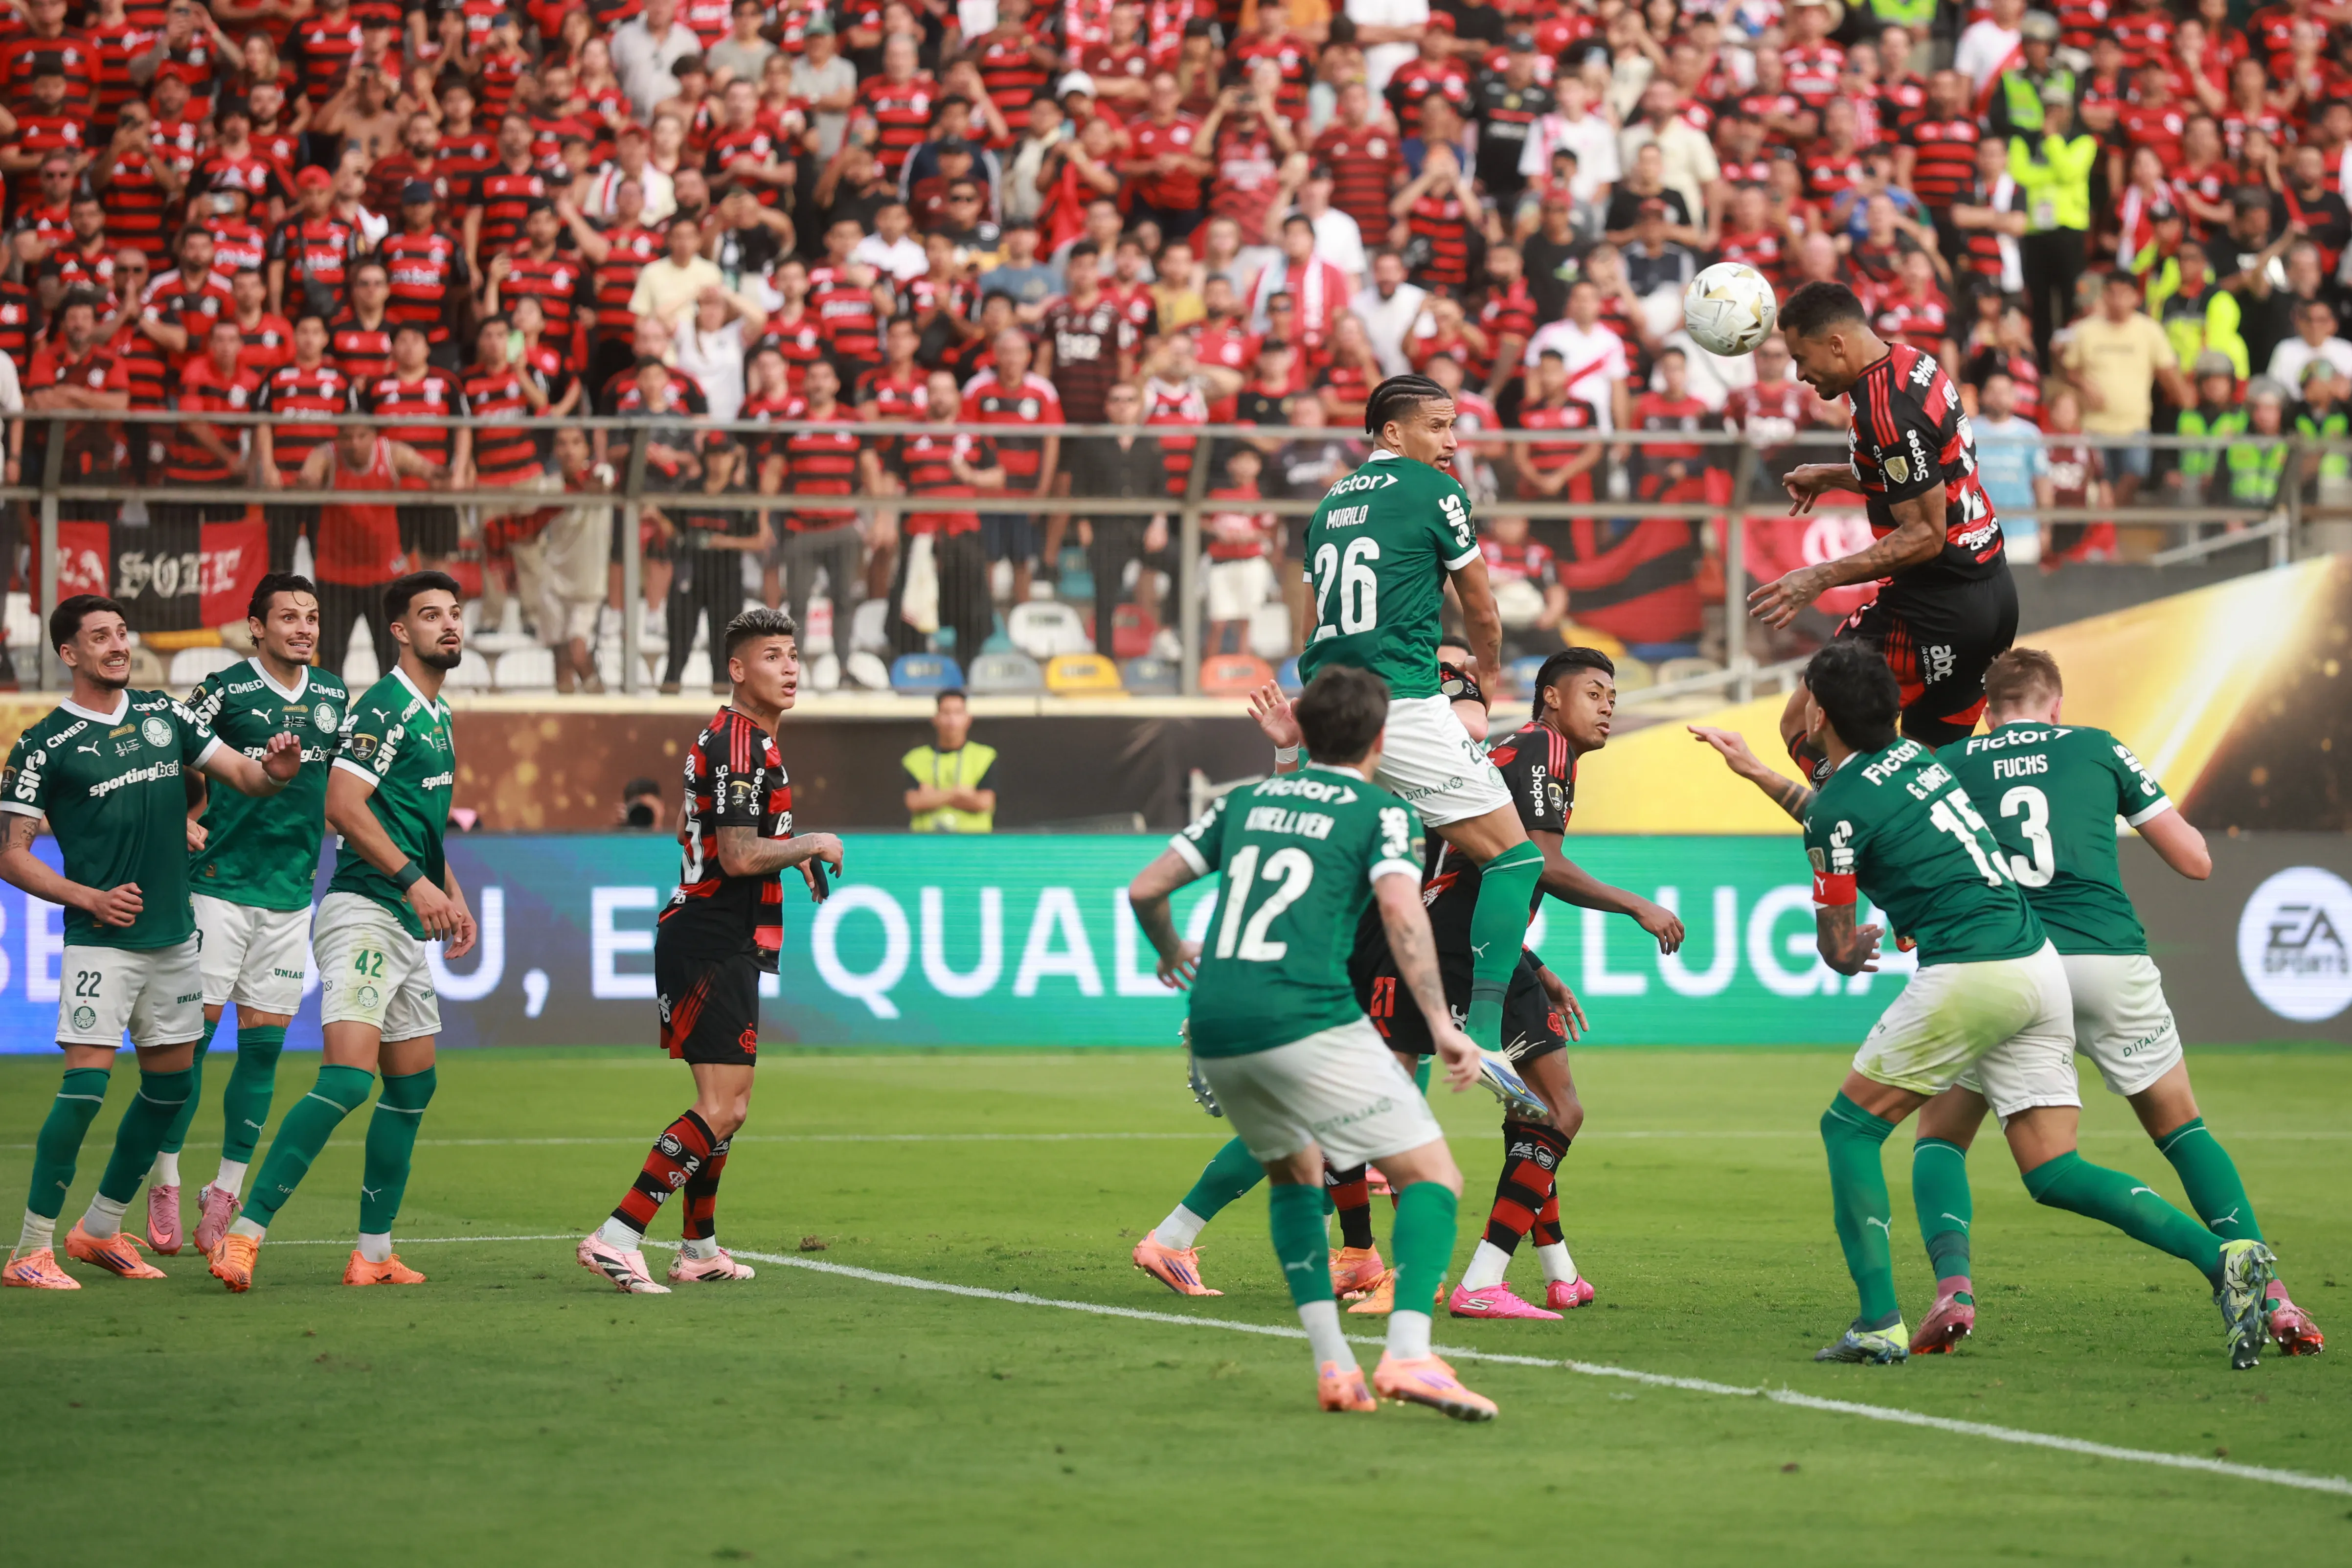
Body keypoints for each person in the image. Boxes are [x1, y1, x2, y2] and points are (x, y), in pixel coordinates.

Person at [1689, 642, 2277, 1369]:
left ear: (1819, 710)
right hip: (2035, 965)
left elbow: (1841, 938)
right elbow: (1847, 810)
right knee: (2052, 1168)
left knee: (1849, 1129)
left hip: (1970, 971)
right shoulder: (1920, 760)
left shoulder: (1857, 801)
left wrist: (1853, 941)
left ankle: (1880, 1321)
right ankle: (2227, 1258)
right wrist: (1758, 773)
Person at [1904, 650, 2323, 1357]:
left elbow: (1923, 881)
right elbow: (2195, 859)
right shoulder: (2098, 747)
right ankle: (2274, 1297)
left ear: (1986, 708)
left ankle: (1954, 1291)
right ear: (2055, 704)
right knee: (2181, 1127)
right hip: (2108, 958)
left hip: (2008, 963)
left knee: (1942, 1134)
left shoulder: (1950, 764)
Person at [1125, 664, 1498, 1420]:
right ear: (1383, 737)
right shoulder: (1380, 813)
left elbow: (1144, 890)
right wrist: (1443, 1026)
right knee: (1434, 1177)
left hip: (1218, 1018)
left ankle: (1336, 1369)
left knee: (1296, 1171)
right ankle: (1410, 1355)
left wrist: (1168, 949)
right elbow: (1402, 915)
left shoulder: (1246, 801)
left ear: (1304, 729)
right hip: (1307, 1013)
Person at [0, 596, 302, 1291]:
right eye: (99, 637)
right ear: (69, 654)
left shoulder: (164, 717)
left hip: (175, 938)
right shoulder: (44, 742)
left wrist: (277, 772)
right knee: (85, 1089)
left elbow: (246, 777)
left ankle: (100, 1228)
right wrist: (88, 898)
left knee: (170, 1090)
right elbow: (12, 854)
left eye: (121, 633)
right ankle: (29, 1248)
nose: (117, 645)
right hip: (102, 943)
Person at [206, 572, 479, 1294]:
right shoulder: (385, 708)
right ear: (399, 631)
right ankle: (243, 1232)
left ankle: (374, 1252)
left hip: (404, 911)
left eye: (454, 614)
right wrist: (414, 883)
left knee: (412, 1089)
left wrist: (450, 892)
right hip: (363, 908)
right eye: (430, 616)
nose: (448, 625)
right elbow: (343, 800)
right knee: (348, 1079)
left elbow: (416, 821)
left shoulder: (439, 714)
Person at [578, 608, 845, 1294]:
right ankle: (619, 1234)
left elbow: (686, 825)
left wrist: (786, 857)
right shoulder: (740, 743)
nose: (789, 668)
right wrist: (809, 844)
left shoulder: (741, 739)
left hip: (723, 934)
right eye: (771, 656)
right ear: (737, 669)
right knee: (720, 1107)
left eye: (792, 655)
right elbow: (735, 851)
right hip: (711, 937)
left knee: (732, 1103)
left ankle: (698, 1248)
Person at [1292, 373, 1555, 1059]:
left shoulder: (1328, 503)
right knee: (1515, 859)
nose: (1452, 440)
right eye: (1438, 426)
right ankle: (1491, 1035)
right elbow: (1482, 607)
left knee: (1339, 879)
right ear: (1392, 432)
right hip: (1399, 702)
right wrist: (1487, 682)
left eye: (1453, 425)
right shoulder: (1437, 491)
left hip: (1328, 707)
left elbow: (1313, 614)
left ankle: (1262, 1016)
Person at [152, 577, 351, 1259]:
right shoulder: (225, 688)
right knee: (191, 1045)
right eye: (288, 617)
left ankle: (226, 1190)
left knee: (263, 1049)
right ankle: (167, 1176)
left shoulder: (331, 695)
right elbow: (159, 748)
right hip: (219, 888)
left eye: (313, 617)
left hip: (292, 895)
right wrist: (179, 817)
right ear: (256, 627)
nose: (303, 627)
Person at [1762, 281, 2018, 749]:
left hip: (1934, 607)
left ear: (1836, 344)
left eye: (1802, 357)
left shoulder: (1885, 411)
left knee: (1806, 726)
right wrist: (1836, 474)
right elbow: (1925, 476)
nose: (1800, 373)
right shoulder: (1912, 362)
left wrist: (1820, 577)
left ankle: (1855, 822)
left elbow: (1924, 534)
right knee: (1936, 771)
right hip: (1991, 593)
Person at [652, 437, 773, 695]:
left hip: (725, 577)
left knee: (724, 655)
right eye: (713, 455)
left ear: (733, 459)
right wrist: (659, 520)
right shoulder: (689, 489)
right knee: (677, 649)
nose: (718, 462)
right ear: (705, 458)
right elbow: (672, 525)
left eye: (723, 455)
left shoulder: (741, 497)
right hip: (689, 573)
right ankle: (667, 710)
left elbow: (760, 540)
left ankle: (722, 722)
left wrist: (723, 541)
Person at [902, 689, 997, 833]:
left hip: (973, 846)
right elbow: (914, 802)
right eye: (946, 713)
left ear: (968, 719)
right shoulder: (914, 759)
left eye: (958, 713)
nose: (952, 720)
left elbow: (985, 803)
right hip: (926, 845)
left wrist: (933, 796)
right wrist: (961, 793)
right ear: (935, 719)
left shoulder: (986, 756)